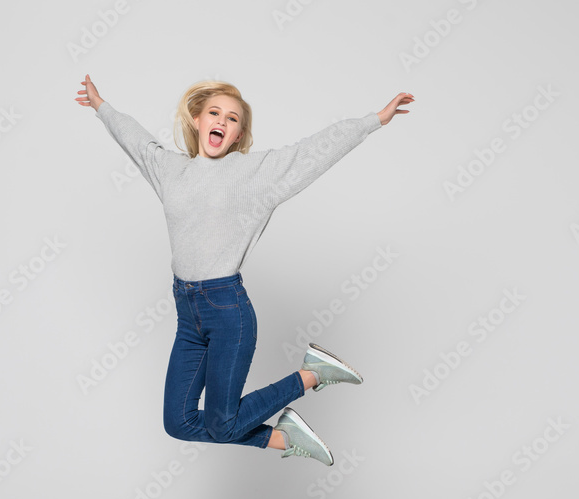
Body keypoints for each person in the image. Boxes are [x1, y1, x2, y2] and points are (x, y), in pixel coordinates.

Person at [76, 74, 413, 466]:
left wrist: (374, 120)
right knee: (178, 422)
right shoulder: (170, 171)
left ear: (237, 134)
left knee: (223, 424)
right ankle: (284, 440)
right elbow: (135, 139)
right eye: (214, 113)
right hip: (188, 315)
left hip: (227, 312)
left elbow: (313, 151)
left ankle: (311, 375)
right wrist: (102, 106)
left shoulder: (255, 175)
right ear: (198, 121)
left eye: (233, 119)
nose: (222, 121)